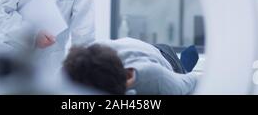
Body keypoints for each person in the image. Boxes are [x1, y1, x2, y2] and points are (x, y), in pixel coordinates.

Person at [62, 37, 200, 95]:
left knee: (181, 77)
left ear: (128, 78)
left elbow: (194, 79)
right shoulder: (70, 70)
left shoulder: (154, 77)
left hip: (165, 57)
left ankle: (184, 66)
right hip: (132, 48)